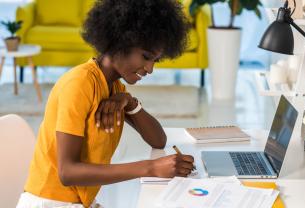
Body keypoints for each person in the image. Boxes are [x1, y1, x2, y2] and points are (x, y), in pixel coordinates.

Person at [16, 0, 194, 207]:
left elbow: (158, 140)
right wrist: (151, 168)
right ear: (121, 42)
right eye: (146, 57)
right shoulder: (79, 84)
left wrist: (130, 103)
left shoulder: (114, 88)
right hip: (50, 202)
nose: (150, 69)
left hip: (79, 201)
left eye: (155, 60)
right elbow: (67, 172)